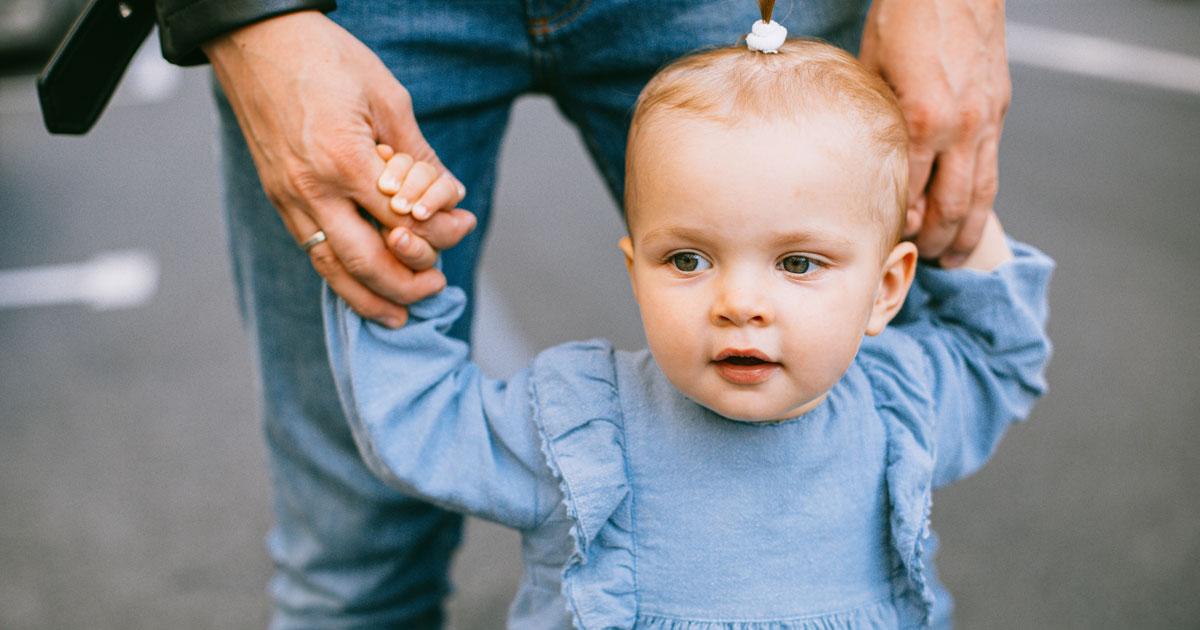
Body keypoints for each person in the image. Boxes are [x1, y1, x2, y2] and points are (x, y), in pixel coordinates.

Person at [157, 0, 1010, 624]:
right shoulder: (579, 423)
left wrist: (966, 232)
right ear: (633, 270)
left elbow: (998, 357)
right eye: (687, 259)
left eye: (797, 263)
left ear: (890, 286)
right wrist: (401, 267)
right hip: (354, 11)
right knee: (353, 572)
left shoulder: (902, 405)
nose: (740, 304)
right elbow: (420, 423)